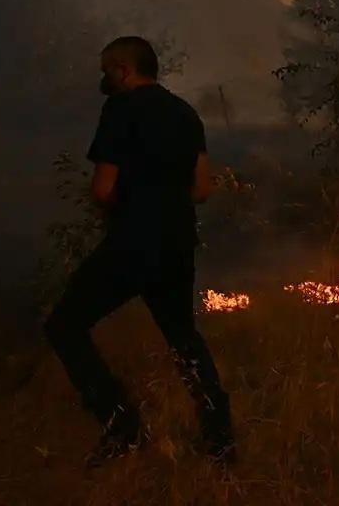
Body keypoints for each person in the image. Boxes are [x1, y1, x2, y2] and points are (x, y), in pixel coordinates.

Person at [43, 36, 234, 467]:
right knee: (183, 338)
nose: (104, 79)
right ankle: (220, 441)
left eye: (107, 71)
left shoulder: (120, 109)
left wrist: (130, 205)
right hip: (178, 241)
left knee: (64, 327)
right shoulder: (185, 113)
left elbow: (103, 188)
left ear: (124, 70)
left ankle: (122, 428)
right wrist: (166, 198)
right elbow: (202, 189)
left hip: (133, 242)